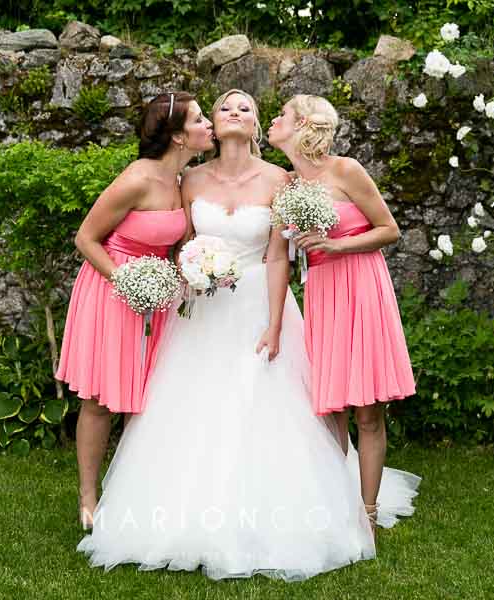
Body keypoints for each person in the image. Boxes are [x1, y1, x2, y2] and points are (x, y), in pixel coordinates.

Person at [76, 89, 419, 580]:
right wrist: (193, 271)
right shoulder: (188, 181)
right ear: (211, 127)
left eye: (246, 108)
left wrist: (275, 324)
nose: (234, 112)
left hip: (259, 302)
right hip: (202, 308)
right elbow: (180, 244)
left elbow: (278, 255)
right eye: (223, 107)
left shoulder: (281, 180)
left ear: (257, 126)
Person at [55, 92, 214, 530]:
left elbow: (178, 242)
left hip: (158, 296)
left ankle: (136, 495)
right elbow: (86, 238)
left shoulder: (182, 181)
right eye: (199, 119)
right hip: (112, 291)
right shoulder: (137, 179)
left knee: (147, 399)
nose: (208, 125)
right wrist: (125, 280)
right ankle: (88, 498)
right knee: (101, 398)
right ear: (178, 136)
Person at [267, 94, 417, 529]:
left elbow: (389, 229)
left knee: (367, 409)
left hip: (362, 286)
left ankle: (368, 513)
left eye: (283, 114)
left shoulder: (346, 170)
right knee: (329, 406)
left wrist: (336, 245)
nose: (274, 120)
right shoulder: (287, 186)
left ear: (303, 125)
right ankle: (337, 503)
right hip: (322, 293)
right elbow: (277, 253)